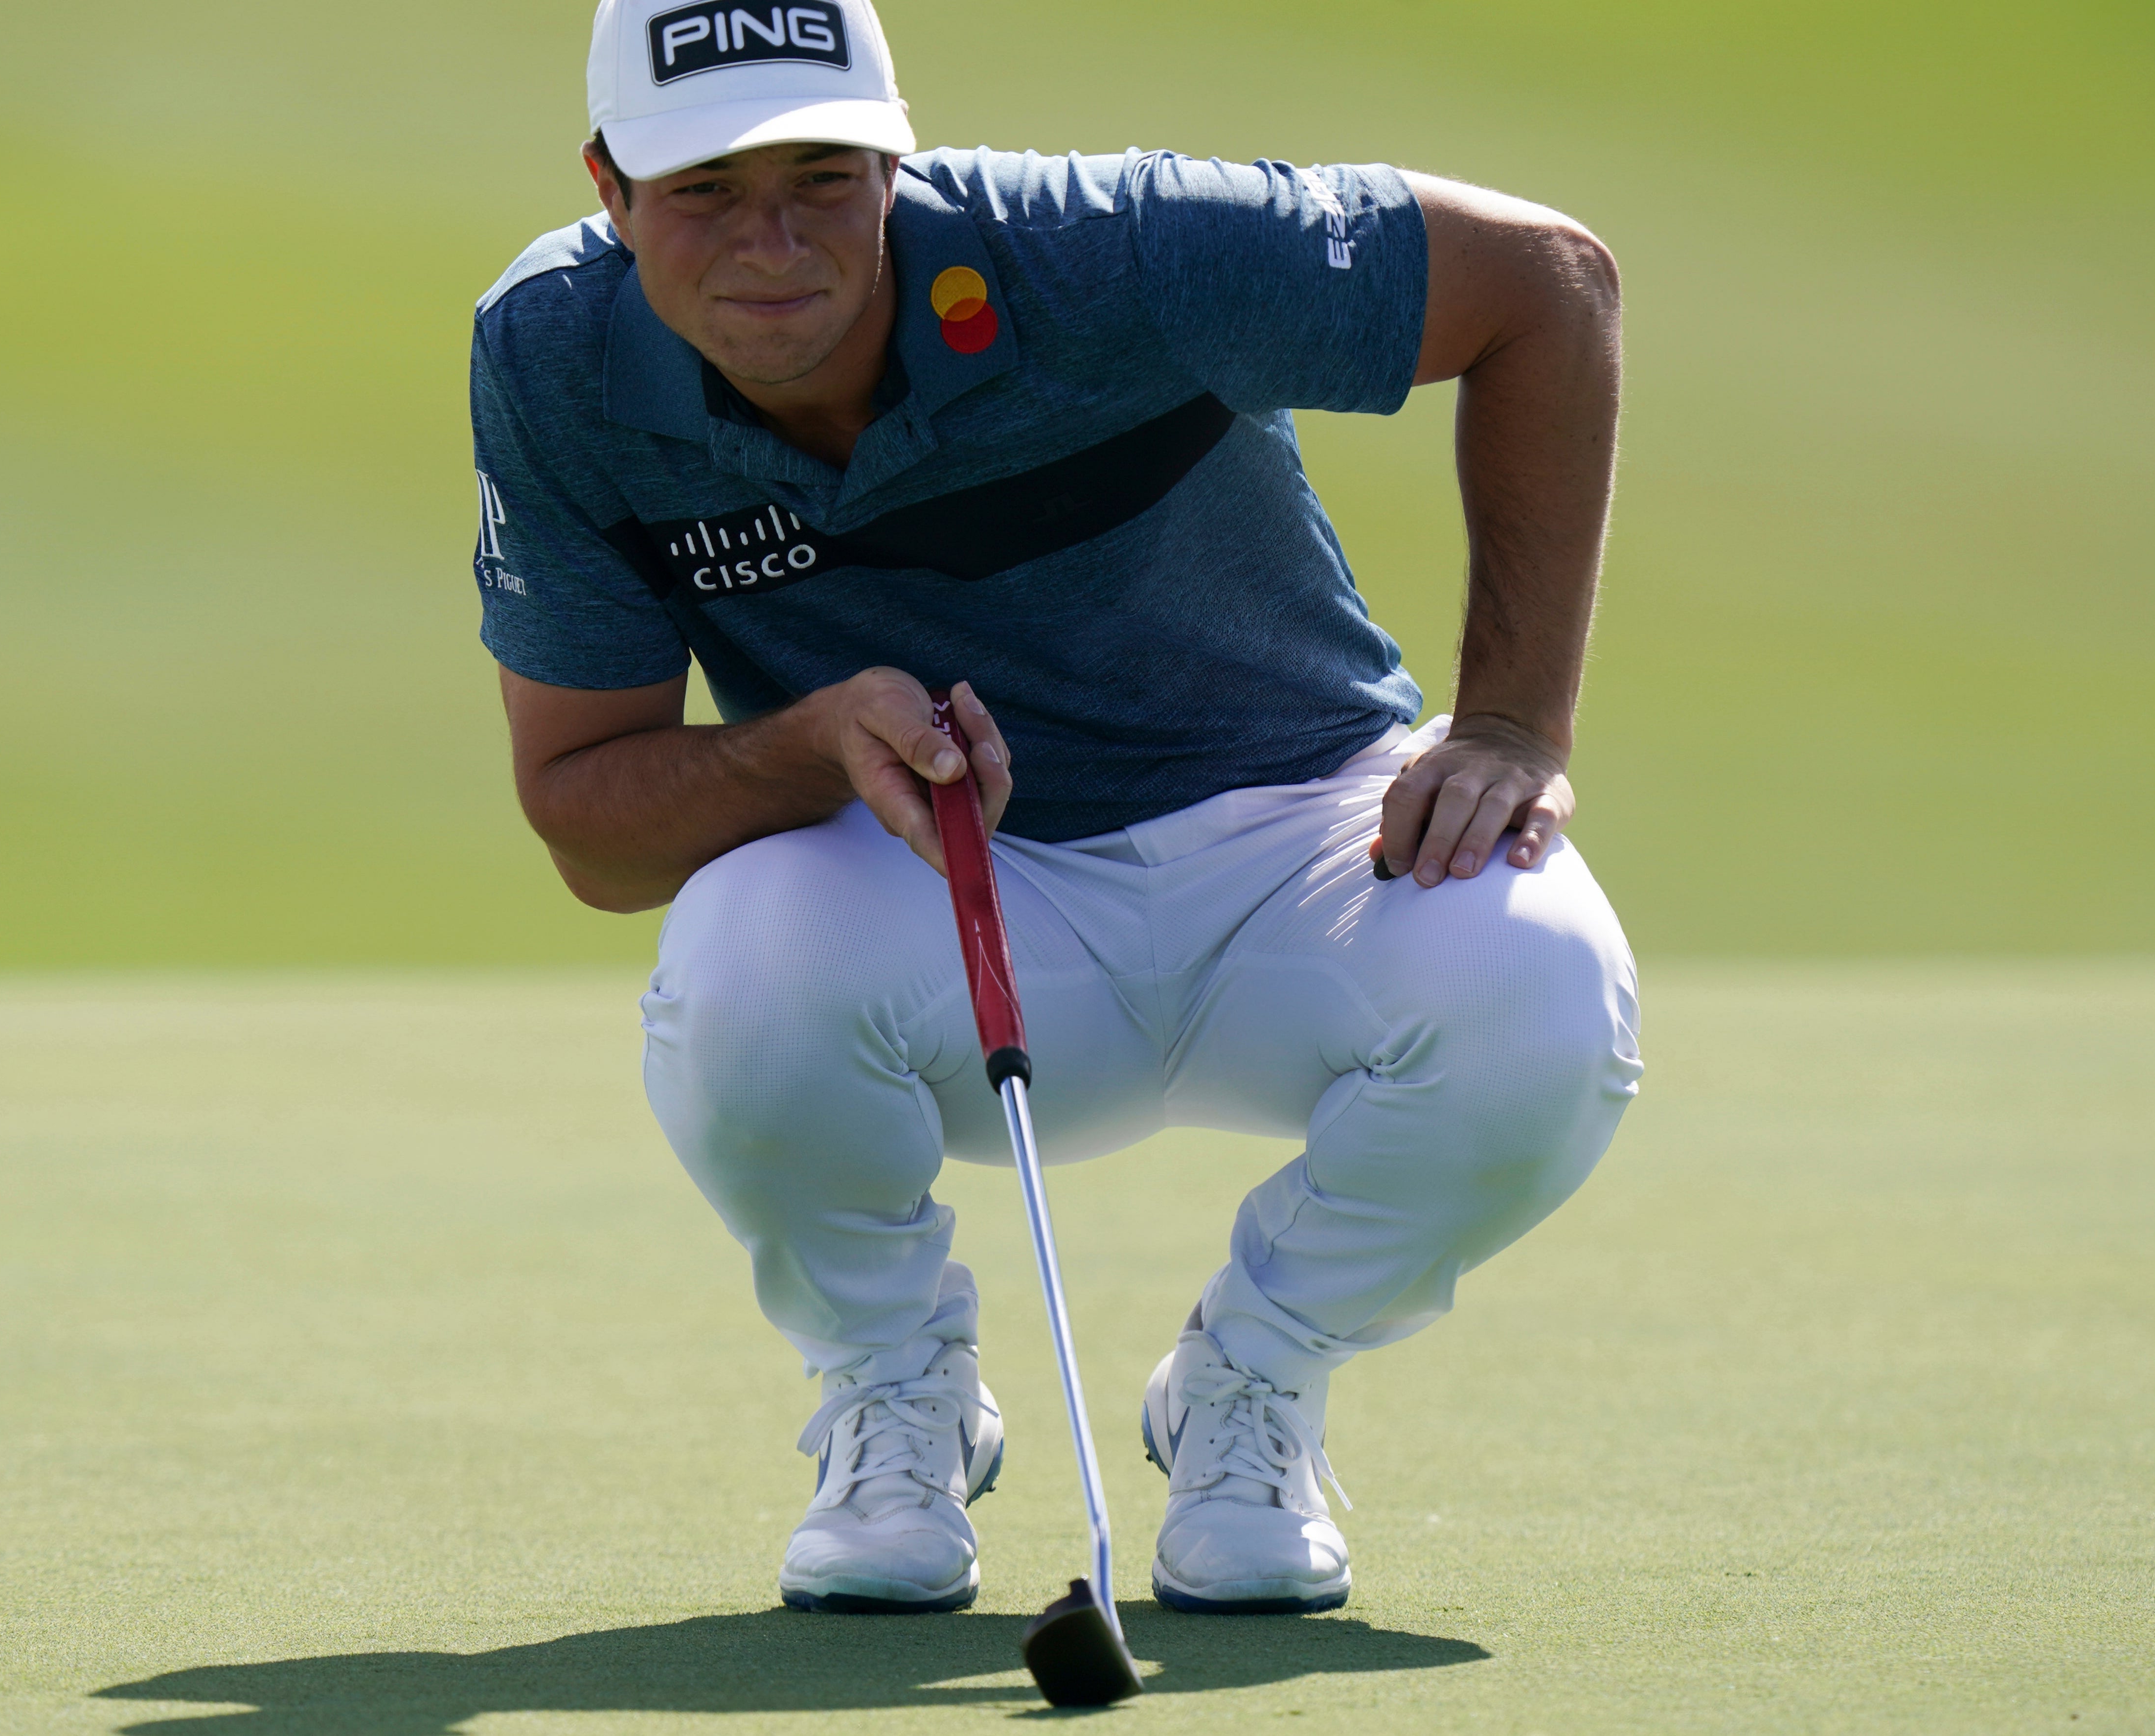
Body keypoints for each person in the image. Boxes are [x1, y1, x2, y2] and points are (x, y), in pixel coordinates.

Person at [470, 0, 1644, 1618]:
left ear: (900, 159)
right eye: (704, 193)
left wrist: (1512, 717)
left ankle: (1253, 1384)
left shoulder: (1110, 250)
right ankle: (899, 1402)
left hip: (1300, 841)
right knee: (737, 949)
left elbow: (1550, 285)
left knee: (1543, 980)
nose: (774, 245)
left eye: (824, 178)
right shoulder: (553, 356)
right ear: (608, 187)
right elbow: (589, 832)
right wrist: (808, 742)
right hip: (947, 898)